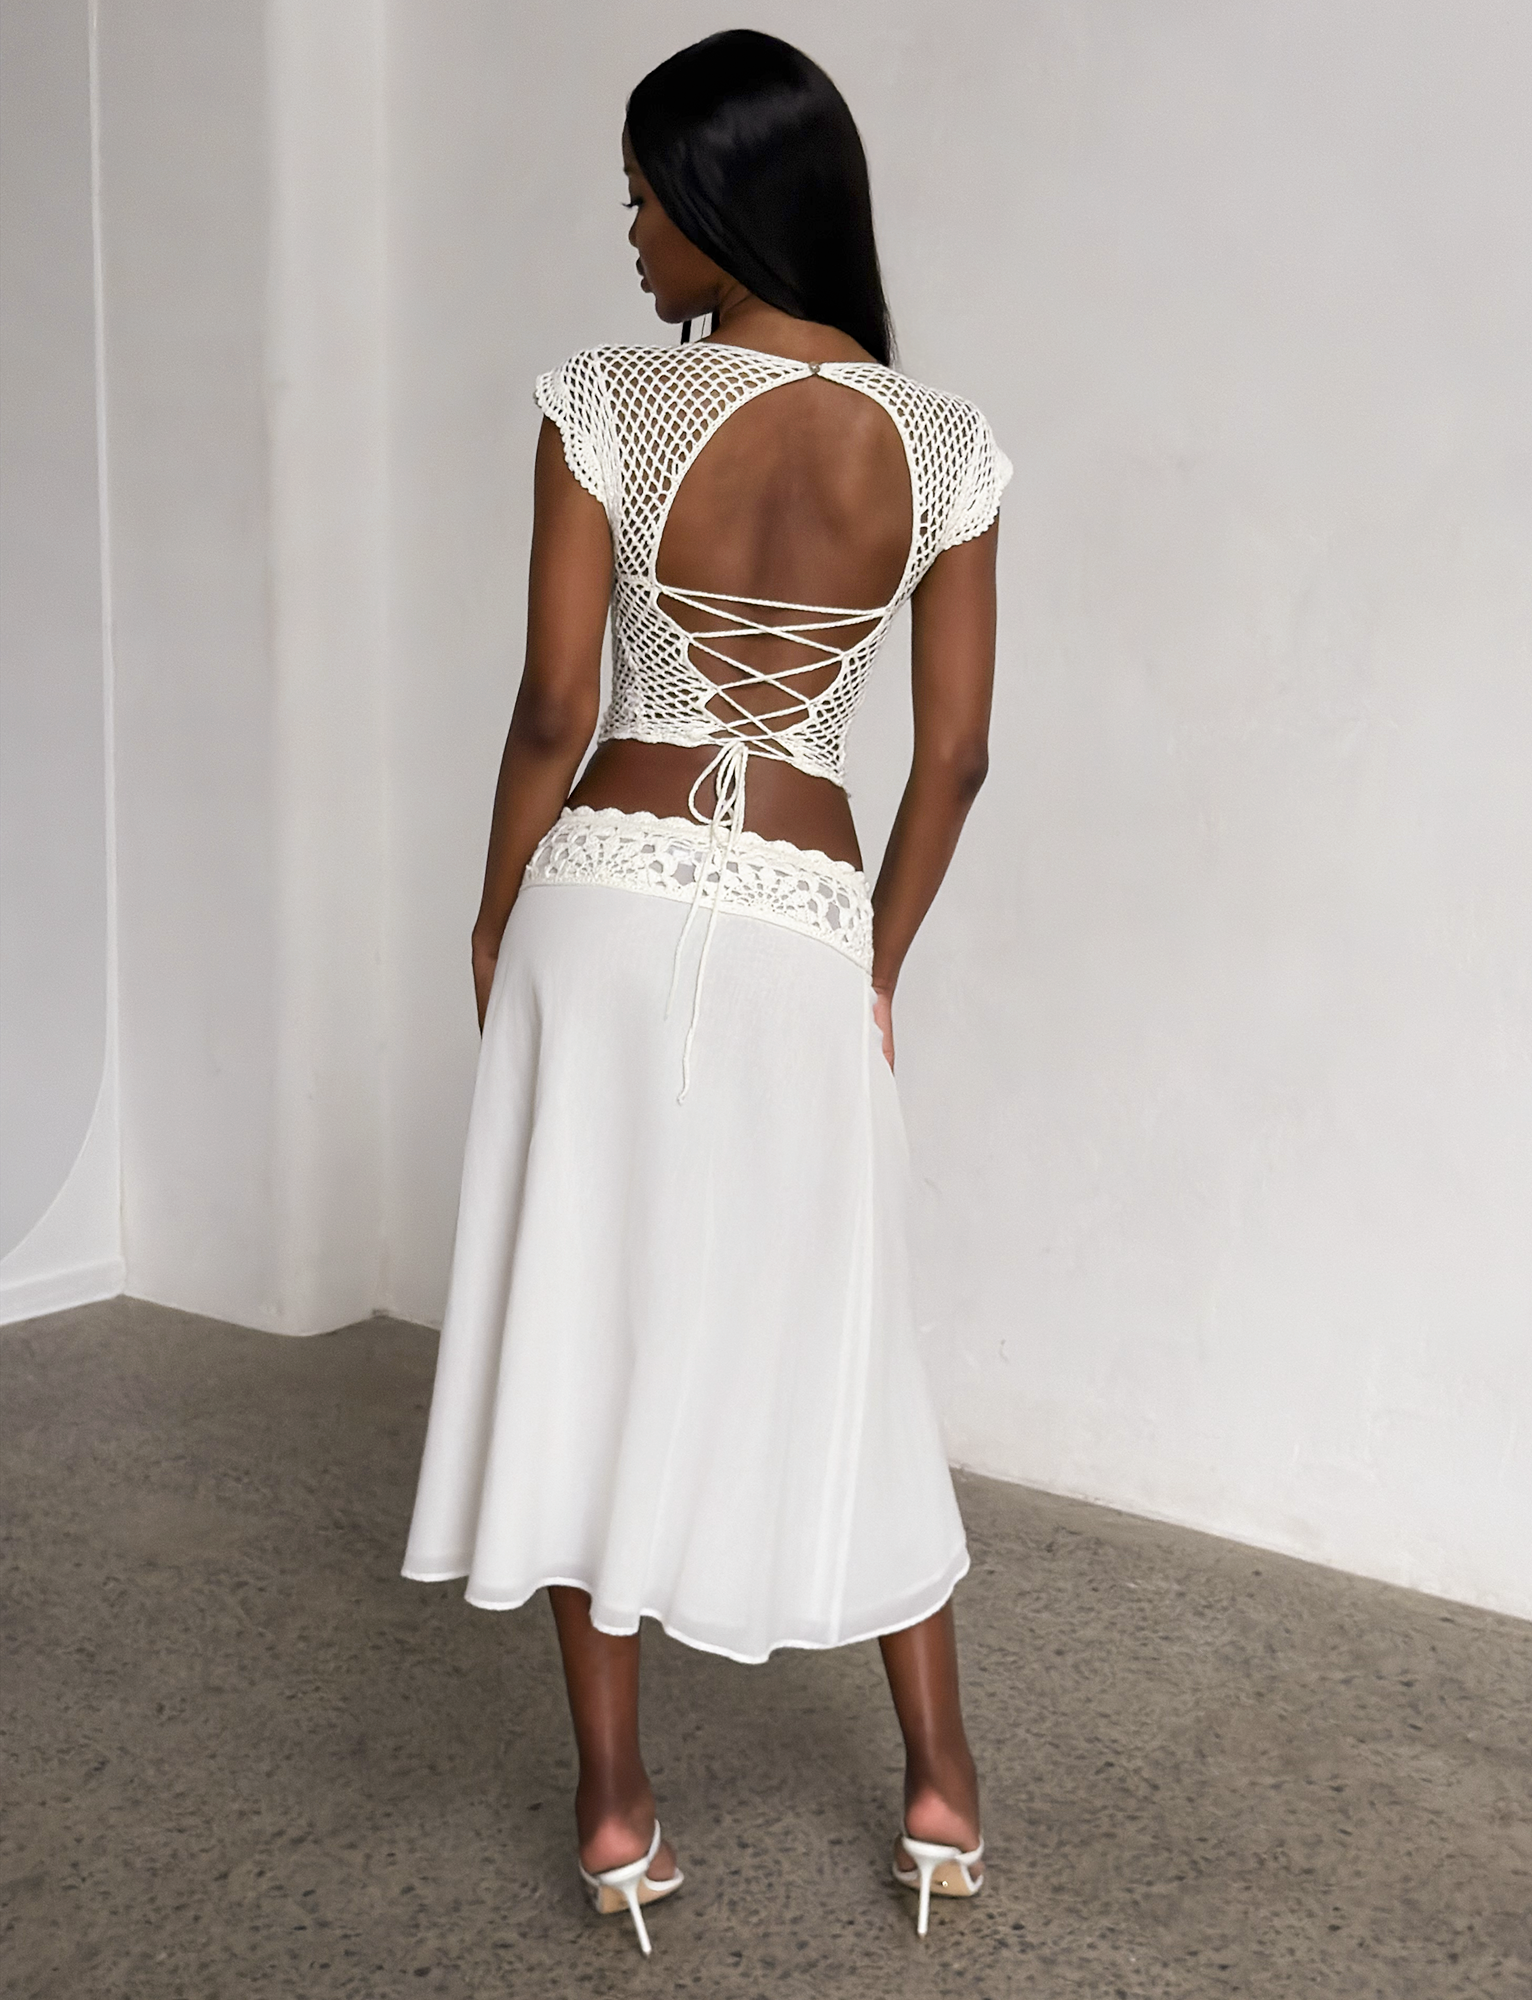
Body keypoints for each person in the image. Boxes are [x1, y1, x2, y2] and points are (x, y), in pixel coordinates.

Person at [402, 28, 1009, 1955]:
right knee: (844, 1326)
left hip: (602, 888)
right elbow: (957, 762)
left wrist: (493, 914)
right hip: (800, 927)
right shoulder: (949, 450)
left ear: (726, 203)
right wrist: (876, 961)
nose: (631, 230)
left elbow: (552, 710)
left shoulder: (602, 407)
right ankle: (939, 1790)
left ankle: (611, 1812)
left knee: (592, 1322)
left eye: (646, 193)